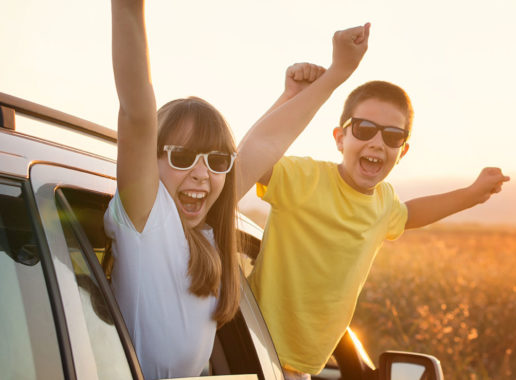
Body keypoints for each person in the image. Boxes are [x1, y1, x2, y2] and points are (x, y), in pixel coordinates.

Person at [104, 0, 370, 378]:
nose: (201, 174)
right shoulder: (146, 221)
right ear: (151, 159)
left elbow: (262, 145)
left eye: (216, 162)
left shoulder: (209, 234)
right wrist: (129, 9)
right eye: (182, 157)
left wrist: (314, 85)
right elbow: (136, 111)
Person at [246, 80, 510, 378]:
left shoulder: (384, 203)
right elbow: (252, 156)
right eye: (363, 129)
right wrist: (291, 97)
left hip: (302, 367)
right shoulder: (303, 178)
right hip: (252, 348)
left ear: (403, 151)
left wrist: (472, 194)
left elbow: (411, 214)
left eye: (392, 136)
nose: (377, 143)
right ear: (339, 138)